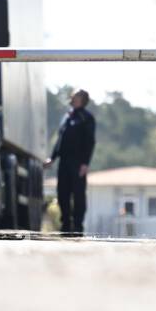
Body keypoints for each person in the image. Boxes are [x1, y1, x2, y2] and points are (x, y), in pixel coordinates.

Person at [45, 89, 96, 234]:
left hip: (78, 162)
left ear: (82, 100)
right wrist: (52, 158)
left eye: (75, 96)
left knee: (78, 194)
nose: (72, 98)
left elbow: (90, 141)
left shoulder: (87, 118)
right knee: (63, 193)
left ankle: (78, 226)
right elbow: (60, 140)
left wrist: (85, 163)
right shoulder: (67, 117)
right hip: (64, 161)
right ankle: (66, 224)